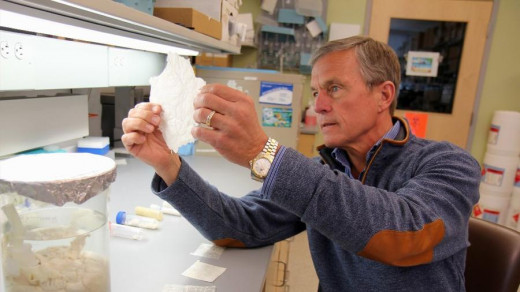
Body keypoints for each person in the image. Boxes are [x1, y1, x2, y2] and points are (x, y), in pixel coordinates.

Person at [121, 36, 481, 291]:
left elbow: (402, 236)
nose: (318, 106)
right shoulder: (325, 171)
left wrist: (264, 152)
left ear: (383, 95)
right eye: (315, 92)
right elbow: (239, 227)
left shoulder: (449, 164)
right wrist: (167, 164)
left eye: (335, 89)